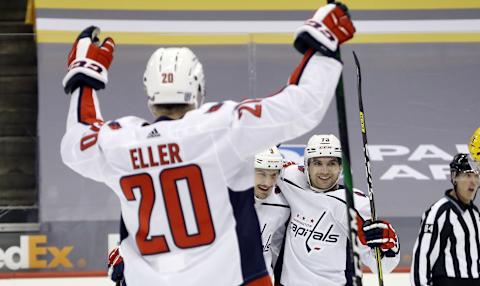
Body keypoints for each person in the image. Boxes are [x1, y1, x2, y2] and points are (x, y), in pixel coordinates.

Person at [60, 2, 356, 285]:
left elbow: (77, 141)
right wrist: (320, 48)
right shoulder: (220, 128)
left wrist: (84, 77)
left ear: (149, 93)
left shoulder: (120, 142)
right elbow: (302, 106)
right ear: (198, 88)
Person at [277, 134, 400, 286]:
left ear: (341, 167)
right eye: (318, 163)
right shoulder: (291, 178)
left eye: (332, 163)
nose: (325, 171)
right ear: (306, 165)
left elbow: (383, 266)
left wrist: (389, 245)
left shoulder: (354, 205)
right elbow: (260, 166)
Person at [411, 153, 480, 286]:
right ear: (454, 177)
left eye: (476, 176)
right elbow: (422, 257)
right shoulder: (440, 212)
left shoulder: (474, 213)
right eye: (467, 175)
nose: (473, 181)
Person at [253, 147, 290, 280]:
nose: (268, 183)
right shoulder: (228, 201)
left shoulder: (283, 206)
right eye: (261, 173)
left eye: (273, 175)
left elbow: (276, 247)